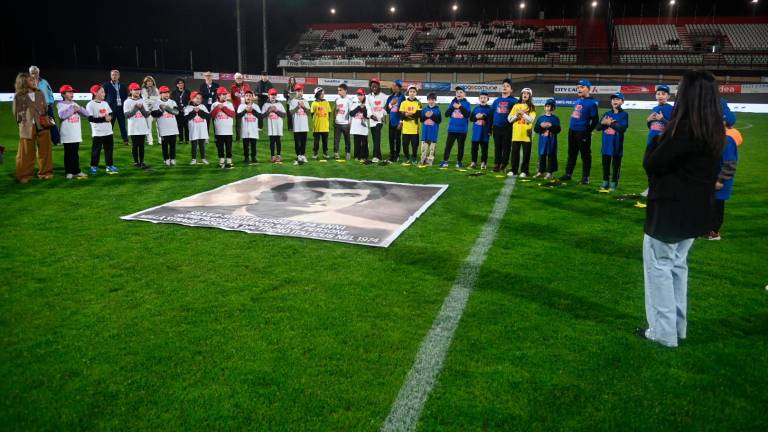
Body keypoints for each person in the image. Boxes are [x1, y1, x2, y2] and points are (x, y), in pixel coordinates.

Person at [638, 70, 726, 348]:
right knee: (677, 267)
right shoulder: (713, 130)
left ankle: (663, 333)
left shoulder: (683, 130)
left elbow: (652, 163)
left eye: (680, 89)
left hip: (670, 211)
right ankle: (676, 327)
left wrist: (657, 137)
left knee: (659, 269)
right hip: (695, 212)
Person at [12, 72, 54, 183]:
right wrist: (23, 125)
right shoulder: (18, 96)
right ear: (24, 82)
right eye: (31, 80)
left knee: (45, 150)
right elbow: (16, 113)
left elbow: (45, 108)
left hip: (43, 125)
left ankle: (45, 172)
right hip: (27, 127)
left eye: (34, 79)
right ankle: (24, 175)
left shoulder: (40, 93)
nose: (34, 81)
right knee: (26, 152)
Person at [561, 79, 599, 184]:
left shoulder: (592, 103)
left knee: (585, 155)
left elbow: (595, 120)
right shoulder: (578, 101)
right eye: (578, 87)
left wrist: (588, 131)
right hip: (572, 131)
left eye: (582, 87)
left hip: (582, 133)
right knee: (571, 153)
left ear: (588, 89)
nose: (579, 89)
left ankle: (585, 177)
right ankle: (568, 174)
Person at [709, 132, 739, 240]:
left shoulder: (727, 140)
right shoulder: (710, 138)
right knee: (708, 205)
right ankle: (706, 230)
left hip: (718, 181)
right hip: (709, 180)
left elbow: (730, 164)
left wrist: (721, 180)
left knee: (716, 205)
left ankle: (714, 233)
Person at [596, 92, 629, 192]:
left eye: (617, 99)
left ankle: (614, 183)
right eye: (613, 99)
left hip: (616, 145)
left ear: (622, 102)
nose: (615, 101)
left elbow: (622, 129)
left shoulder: (624, 114)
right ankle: (605, 182)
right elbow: (598, 127)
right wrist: (603, 123)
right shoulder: (607, 114)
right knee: (605, 165)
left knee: (616, 166)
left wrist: (610, 123)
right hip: (606, 145)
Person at [56, 84, 89, 179]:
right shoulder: (60, 104)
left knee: (75, 153)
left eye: (72, 92)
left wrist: (80, 109)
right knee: (68, 154)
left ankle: (77, 171)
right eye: (69, 92)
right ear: (63, 94)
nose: (72, 94)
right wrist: (72, 109)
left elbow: (87, 114)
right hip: (67, 134)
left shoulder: (75, 103)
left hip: (76, 134)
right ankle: (69, 171)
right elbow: (62, 115)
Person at [86, 84, 119, 175]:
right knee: (96, 151)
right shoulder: (90, 104)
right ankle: (93, 166)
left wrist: (110, 117)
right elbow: (90, 119)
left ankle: (109, 166)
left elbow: (111, 113)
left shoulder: (105, 103)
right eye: (102, 92)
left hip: (108, 131)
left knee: (109, 150)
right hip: (98, 132)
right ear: (95, 93)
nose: (104, 93)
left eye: (104, 92)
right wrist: (104, 119)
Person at [440, 86, 471, 168]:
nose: (459, 94)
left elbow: (467, 115)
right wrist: (453, 107)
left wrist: (460, 107)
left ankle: (459, 162)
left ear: (464, 94)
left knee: (461, 147)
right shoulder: (452, 102)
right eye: (457, 92)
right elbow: (446, 114)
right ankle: (445, 161)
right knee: (448, 146)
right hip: (452, 129)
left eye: (461, 92)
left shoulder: (467, 104)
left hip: (462, 130)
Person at [508, 87, 536, 177]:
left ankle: (525, 171)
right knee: (514, 153)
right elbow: (509, 119)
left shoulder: (531, 107)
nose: (525, 95)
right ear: (521, 95)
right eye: (524, 93)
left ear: (530, 96)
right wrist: (517, 114)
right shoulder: (516, 106)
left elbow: (531, 120)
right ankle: (514, 170)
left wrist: (523, 114)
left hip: (526, 134)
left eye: (527, 94)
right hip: (516, 134)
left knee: (526, 154)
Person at [490, 78, 518, 172]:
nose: (505, 87)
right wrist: (490, 127)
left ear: (511, 89)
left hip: (508, 128)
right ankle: (496, 163)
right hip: (496, 127)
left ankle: (504, 164)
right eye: (503, 86)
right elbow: (492, 113)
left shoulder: (514, 101)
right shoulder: (496, 101)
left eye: (507, 86)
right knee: (497, 147)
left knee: (506, 147)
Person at [29, 66, 59, 145]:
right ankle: (41, 141)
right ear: (30, 74)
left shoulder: (44, 82)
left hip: (47, 106)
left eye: (36, 73)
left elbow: (50, 92)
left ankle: (56, 140)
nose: (34, 75)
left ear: (38, 73)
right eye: (32, 73)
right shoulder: (28, 83)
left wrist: (51, 102)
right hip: (36, 108)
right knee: (38, 125)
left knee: (52, 123)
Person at [124, 82, 151, 169]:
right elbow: (127, 115)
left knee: (142, 145)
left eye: (138, 90)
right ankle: (136, 162)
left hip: (142, 126)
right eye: (135, 90)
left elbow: (146, 115)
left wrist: (142, 108)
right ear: (131, 91)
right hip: (133, 127)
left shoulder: (142, 101)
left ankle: (142, 162)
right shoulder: (127, 102)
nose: (137, 91)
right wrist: (136, 108)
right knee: (135, 145)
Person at [532, 99, 561, 179]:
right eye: (547, 106)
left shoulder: (555, 118)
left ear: (554, 108)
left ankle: (550, 173)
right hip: (543, 141)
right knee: (542, 155)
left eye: (551, 107)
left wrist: (551, 126)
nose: (549, 108)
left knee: (551, 155)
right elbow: (536, 129)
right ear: (545, 107)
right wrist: (541, 126)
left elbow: (558, 129)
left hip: (552, 140)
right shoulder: (541, 118)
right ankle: (541, 171)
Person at [154, 85, 180, 167]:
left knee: (173, 145)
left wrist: (166, 108)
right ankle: (166, 159)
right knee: (165, 145)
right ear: (160, 94)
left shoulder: (172, 102)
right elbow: (155, 114)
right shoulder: (156, 103)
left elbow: (176, 112)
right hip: (163, 128)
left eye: (168, 92)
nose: (166, 94)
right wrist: (161, 109)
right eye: (164, 93)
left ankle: (173, 158)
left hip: (173, 127)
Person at [211, 87, 236, 169]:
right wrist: (217, 108)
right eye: (223, 94)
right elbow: (212, 116)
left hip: (228, 131)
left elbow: (233, 114)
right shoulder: (214, 104)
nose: (225, 96)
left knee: (229, 146)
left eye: (225, 94)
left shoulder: (229, 104)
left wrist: (223, 108)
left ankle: (229, 161)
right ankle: (221, 160)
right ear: (218, 95)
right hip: (219, 131)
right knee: (220, 147)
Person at [103, 69, 129, 144]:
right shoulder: (106, 85)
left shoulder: (123, 85)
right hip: (111, 108)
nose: (114, 76)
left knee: (123, 125)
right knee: (110, 125)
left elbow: (126, 95)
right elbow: (103, 95)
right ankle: (108, 140)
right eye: (113, 75)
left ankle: (125, 140)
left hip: (121, 108)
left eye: (116, 75)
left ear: (119, 76)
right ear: (111, 76)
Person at [184, 91, 210, 165]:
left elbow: (207, 116)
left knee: (202, 145)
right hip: (194, 130)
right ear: (192, 99)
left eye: (200, 98)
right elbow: (186, 118)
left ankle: (203, 158)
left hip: (202, 130)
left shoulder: (203, 106)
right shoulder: (188, 108)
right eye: (197, 98)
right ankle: (193, 159)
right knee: (194, 145)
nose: (199, 100)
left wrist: (199, 111)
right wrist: (193, 112)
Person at [469, 90, 493, 170]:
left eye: (485, 98)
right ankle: (473, 162)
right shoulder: (476, 108)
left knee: (484, 149)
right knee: (474, 148)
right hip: (476, 132)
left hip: (485, 132)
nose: (483, 99)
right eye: (481, 98)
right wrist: (476, 117)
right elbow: (471, 119)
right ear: (479, 99)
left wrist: (484, 117)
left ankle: (483, 162)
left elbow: (491, 120)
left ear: (487, 99)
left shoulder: (490, 109)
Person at [238, 90, 262, 165]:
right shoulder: (241, 106)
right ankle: (246, 157)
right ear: (244, 97)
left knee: (253, 145)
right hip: (245, 128)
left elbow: (260, 116)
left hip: (253, 128)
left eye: (250, 96)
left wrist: (252, 111)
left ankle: (253, 157)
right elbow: (238, 116)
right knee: (245, 145)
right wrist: (245, 110)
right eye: (247, 96)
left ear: (252, 97)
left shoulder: (256, 106)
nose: (248, 97)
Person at [262, 88, 286, 163]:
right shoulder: (265, 105)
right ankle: (272, 156)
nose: (273, 96)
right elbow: (262, 116)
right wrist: (269, 111)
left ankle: (278, 155)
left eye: (275, 94)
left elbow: (284, 115)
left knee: (278, 141)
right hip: (270, 127)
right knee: (272, 142)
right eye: (272, 94)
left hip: (278, 126)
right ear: (268, 95)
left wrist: (276, 111)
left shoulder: (279, 104)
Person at [399, 85, 422, 165]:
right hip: (405, 128)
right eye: (411, 91)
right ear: (408, 92)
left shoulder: (418, 103)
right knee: (405, 145)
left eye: (414, 92)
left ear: (416, 93)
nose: (412, 93)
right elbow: (401, 115)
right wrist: (407, 115)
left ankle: (414, 157)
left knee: (415, 145)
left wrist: (407, 114)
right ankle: (406, 157)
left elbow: (418, 114)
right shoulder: (403, 103)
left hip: (415, 128)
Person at [367, 77, 388, 163]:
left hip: (379, 121)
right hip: (372, 121)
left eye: (375, 86)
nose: (374, 88)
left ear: (379, 86)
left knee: (377, 138)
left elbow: (386, 107)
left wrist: (384, 114)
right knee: (374, 138)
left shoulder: (384, 96)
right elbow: (368, 108)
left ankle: (375, 156)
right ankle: (379, 155)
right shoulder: (368, 97)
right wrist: (371, 116)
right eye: (372, 86)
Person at [385, 80, 406, 163]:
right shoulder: (390, 97)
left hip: (398, 121)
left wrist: (401, 122)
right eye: (392, 86)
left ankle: (397, 155)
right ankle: (392, 155)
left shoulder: (402, 97)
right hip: (391, 121)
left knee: (397, 139)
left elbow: (403, 111)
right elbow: (387, 110)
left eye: (395, 86)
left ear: (399, 87)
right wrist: (391, 104)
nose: (393, 87)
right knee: (391, 138)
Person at [289, 83, 310, 165]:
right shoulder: (292, 101)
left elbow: (309, 113)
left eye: (301, 91)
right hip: (297, 126)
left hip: (304, 126)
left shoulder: (305, 101)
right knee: (297, 142)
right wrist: (298, 107)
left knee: (304, 142)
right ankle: (298, 155)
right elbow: (291, 112)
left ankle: (303, 155)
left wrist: (303, 106)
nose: (299, 93)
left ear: (303, 92)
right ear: (295, 92)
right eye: (298, 91)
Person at [420, 93, 442, 166]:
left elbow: (439, 121)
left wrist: (432, 116)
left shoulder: (437, 110)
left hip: (433, 132)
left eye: (433, 100)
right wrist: (426, 116)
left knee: (432, 148)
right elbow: (421, 120)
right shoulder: (424, 109)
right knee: (424, 147)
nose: (431, 101)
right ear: (427, 100)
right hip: (425, 132)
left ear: (435, 100)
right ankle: (422, 159)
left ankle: (430, 160)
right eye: (429, 100)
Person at [349, 88, 371, 162]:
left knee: (364, 141)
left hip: (363, 126)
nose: (359, 96)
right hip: (356, 126)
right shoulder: (354, 102)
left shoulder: (367, 104)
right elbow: (351, 113)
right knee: (357, 142)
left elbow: (367, 116)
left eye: (361, 95)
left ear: (364, 95)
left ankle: (364, 156)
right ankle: (357, 156)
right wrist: (359, 107)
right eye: (358, 95)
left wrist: (363, 108)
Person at [311, 87, 332, 159]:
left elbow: (329, 112)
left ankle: (325, 153)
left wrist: (326, 120)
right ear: (317, 94)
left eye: (323, 93)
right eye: (321, 93)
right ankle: (315, 153)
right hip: (317, 127)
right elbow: (312, 114)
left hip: (325, 126)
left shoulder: (326, 102)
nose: (323, 95)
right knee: (316, 142)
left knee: (325, 141)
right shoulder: (314, 103)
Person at [230, 72, 251, 142]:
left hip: (246, 107)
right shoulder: (233, 87)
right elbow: (232, 98)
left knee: (248, 122)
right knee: (238, 124)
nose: (239, 79)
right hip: (237, 108)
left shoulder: (247, 86)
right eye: (237, 78)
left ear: (242, 78)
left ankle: (248, 137)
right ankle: (238, 138)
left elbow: (249, 95)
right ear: (235, 79)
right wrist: (235, 105)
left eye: (240, 78)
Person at [333, 84, 353, 160]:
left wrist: (350, 122)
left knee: (347, 140)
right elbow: (335, 111)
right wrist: (334, 119)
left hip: (346, 124)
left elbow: (351, 112)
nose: (338, 91)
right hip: (337, 123)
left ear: (345, 90)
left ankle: (348, 153)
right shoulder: (337, 99)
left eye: (340, 90)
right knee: (336, 140)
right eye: (338, 90)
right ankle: (336, 153)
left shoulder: (349, 100)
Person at [141, 75, 160, 145]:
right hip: (148, 110)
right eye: (148, 81)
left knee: (159, 126)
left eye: (151, 81)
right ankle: (150, 141)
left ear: (153, 82)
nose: (149, 82)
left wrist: (150, 97)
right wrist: (154, 98)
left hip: (156, 109)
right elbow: (145, 100)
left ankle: (160, 140)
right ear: (145, 82)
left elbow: (158, 98)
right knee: (148, 127)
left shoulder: (156, 89)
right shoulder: (143, 90)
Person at [170, 78, 191, 143]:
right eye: (179, 83)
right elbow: (173, 102)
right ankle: (181, 139)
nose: (181, 84)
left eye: (182, 83)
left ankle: (187, 139)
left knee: (187, 126)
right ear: (176, 85)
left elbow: (190, 100)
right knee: (180, 126)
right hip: (178, 111)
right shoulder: (173, 93)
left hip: (186, 111)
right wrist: (179, 108)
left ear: (184, 84)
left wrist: (185, 108)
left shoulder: (187, 92)